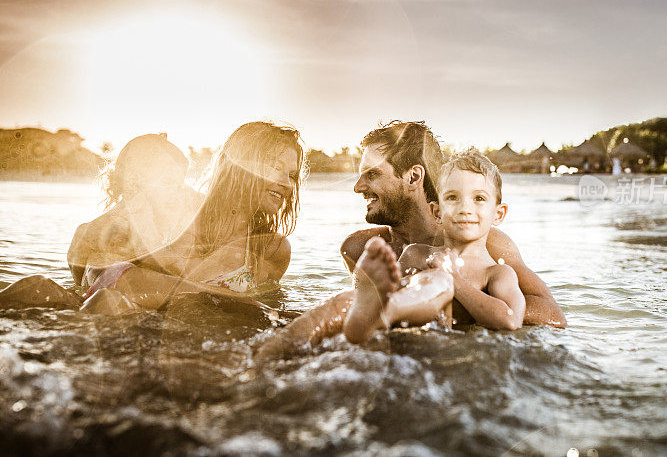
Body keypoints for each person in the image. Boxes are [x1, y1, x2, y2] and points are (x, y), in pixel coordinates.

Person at [255, 121, 564, 360]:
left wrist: (453, 292)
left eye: (372, 174)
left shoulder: (488, 244)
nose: (358, 187)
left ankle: (262, 359)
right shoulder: (359, 248)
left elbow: (552, 315)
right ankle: (266, 358)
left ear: (414, 178)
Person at [0, 121, 304, 314]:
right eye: (275, 167)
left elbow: (265, 312)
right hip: (117, 297)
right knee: (45, 288)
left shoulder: (272, 250)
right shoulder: (187, 209)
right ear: (240, 165)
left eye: (292, 175)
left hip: (170, 327)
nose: (287, 183)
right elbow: (101, 258)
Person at [343, 149, 525, 343]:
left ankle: (383, 312)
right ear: (436, 211)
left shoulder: (496, 273)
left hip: (453, 353)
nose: (465, 208)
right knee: (430, 281)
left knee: (442, 281)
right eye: (452, 198)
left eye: (479, 198)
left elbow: (510, 320)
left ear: (498, 214)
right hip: (412, 346)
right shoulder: (415, 254)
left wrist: (455, 279)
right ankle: (375, 310)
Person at [67, 133, 204, 286]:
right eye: (168, 182)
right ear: (136, 181)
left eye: (180, 184)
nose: (178, 191)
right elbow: (158, 263)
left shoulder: (170, 218)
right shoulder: (109, 228)